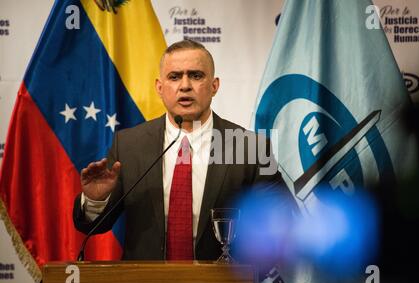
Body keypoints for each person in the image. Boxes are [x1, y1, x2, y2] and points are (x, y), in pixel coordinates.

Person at [73, 40, 296, 262]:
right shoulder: (129, 145)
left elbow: (283, 220)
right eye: (174, 76)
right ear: (159, 88)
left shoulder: (250, 147)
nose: (185, 85)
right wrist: (96, 201)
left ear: (214, 86)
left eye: (196, 76)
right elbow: (97, 226)